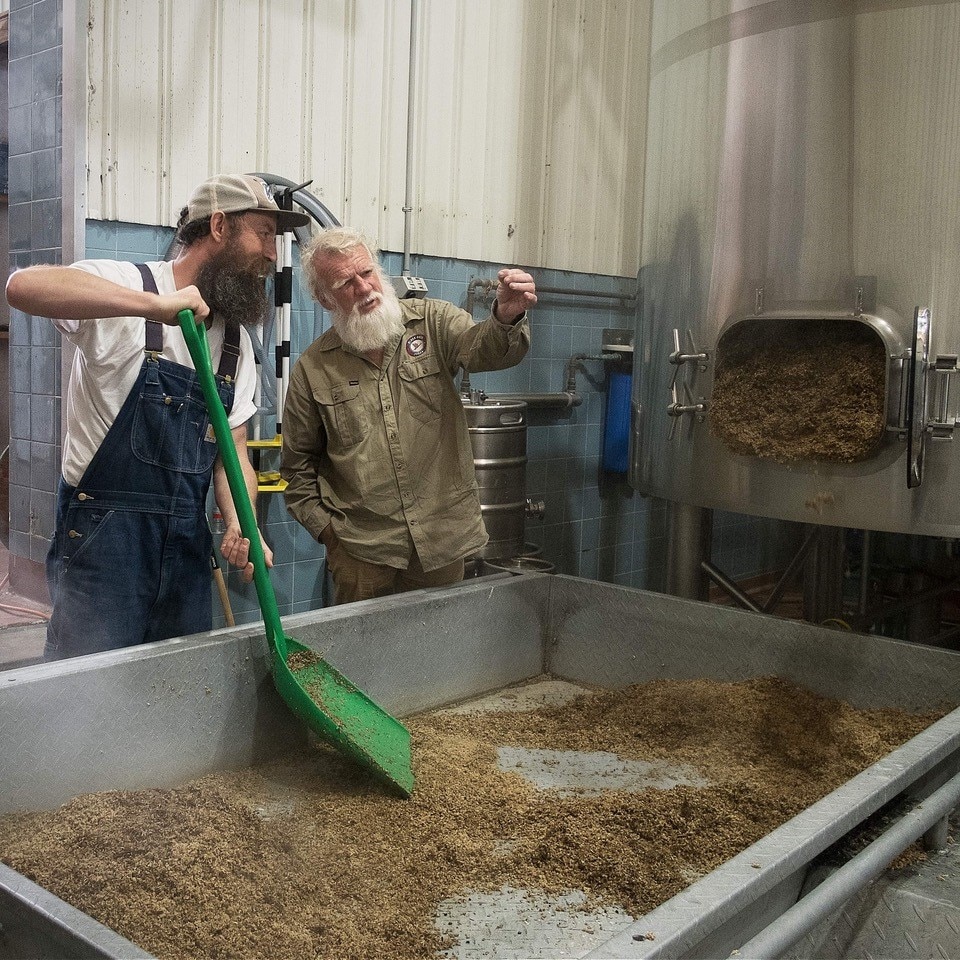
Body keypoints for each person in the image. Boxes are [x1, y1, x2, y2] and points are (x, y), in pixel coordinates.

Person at [5, 174, 309, 659]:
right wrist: (155, 306)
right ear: (219, 227)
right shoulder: (131, 286)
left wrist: (241, 525)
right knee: (86, 696)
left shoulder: (236, 346)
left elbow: (234, 460)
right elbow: (23, 287)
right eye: (264, 235)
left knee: (175, 691)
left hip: (186, 547)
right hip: (106, 544)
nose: (273, 255)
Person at [281, 227, 536, 604]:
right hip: (361, 552)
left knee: (436, 655)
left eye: (366, 273)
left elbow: (485, 351)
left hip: (440, 544)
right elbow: (297, 469)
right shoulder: (312, 369)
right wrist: (332, 536)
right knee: (362, 655)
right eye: (345, 282)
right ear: (323, 298)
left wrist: (505, 317)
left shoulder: (433, 323)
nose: (364, 288)